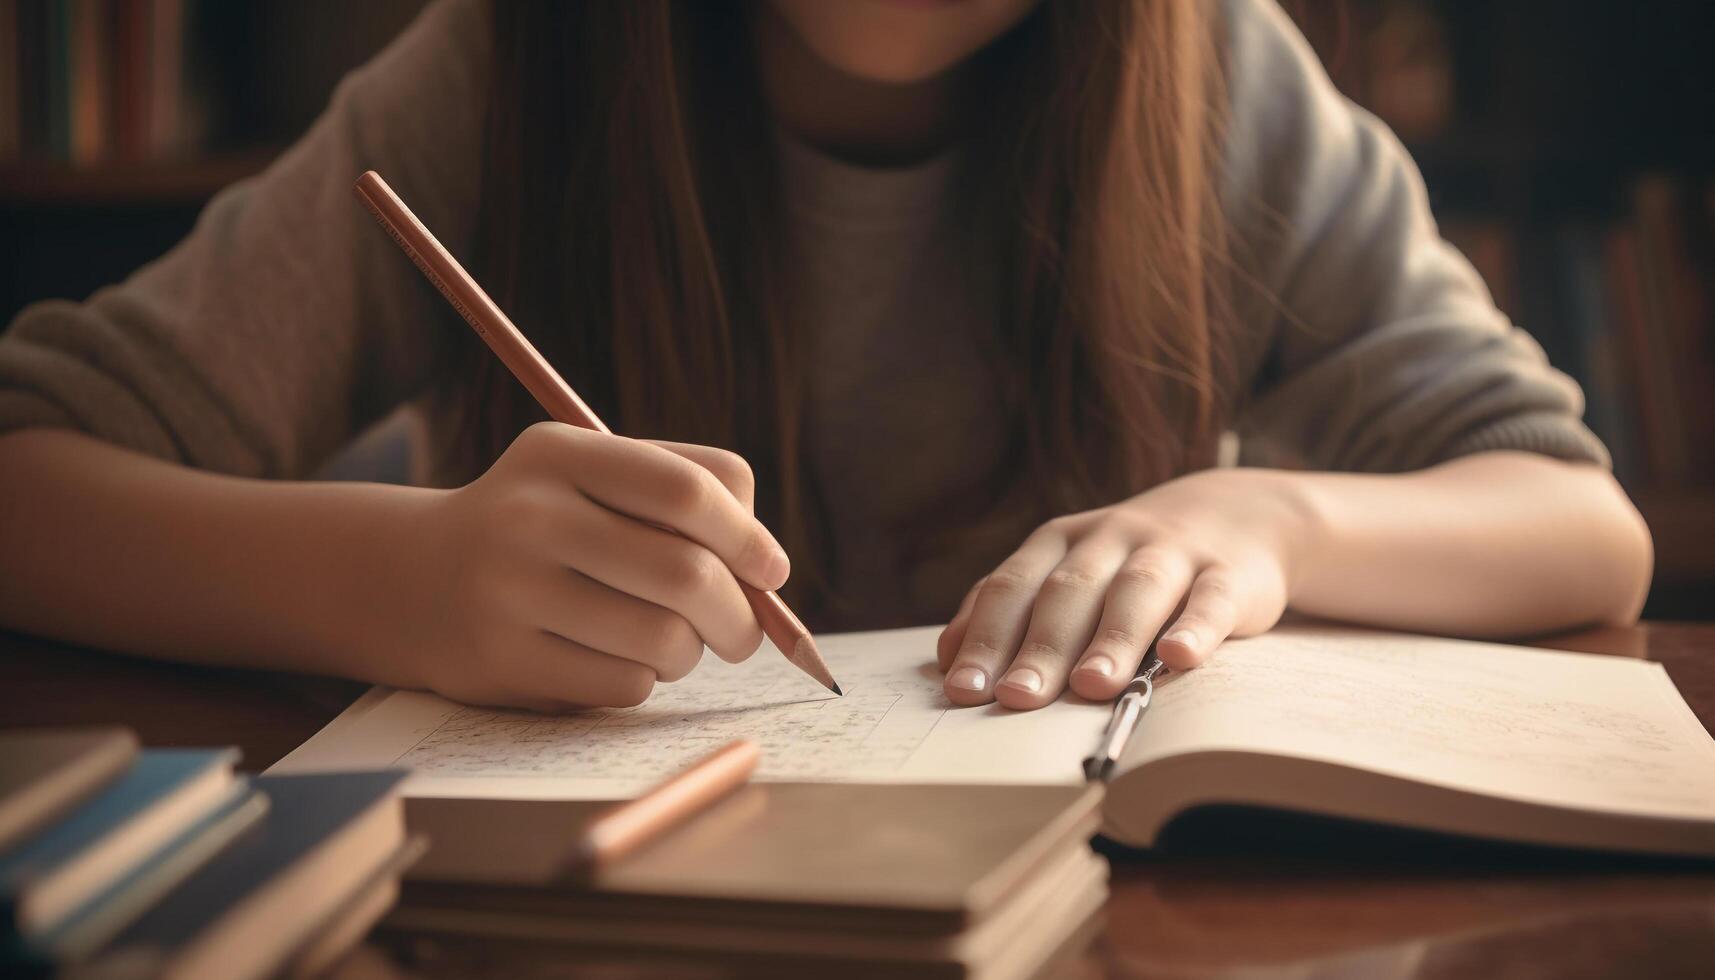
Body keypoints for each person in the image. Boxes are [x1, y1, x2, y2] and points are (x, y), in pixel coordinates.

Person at [0, 0, 1650, 714]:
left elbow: (1581, 520)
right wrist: (402, 581)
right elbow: (30, 475)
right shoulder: (511, 71)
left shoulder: (1214, 75)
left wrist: (1268, 527)